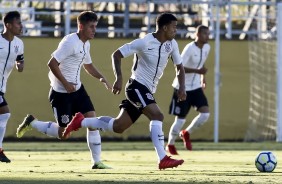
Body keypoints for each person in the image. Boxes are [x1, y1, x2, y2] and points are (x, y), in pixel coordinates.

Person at [62, 13, 187, 170]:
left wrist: (182, 87)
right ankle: (162, 158)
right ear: (165, 27)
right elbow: (117, 54)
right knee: (157, 115)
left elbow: (179, 67)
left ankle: (81, 121)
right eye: (174, 27)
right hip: (136, 86)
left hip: (147, 90)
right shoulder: (144, 42)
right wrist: (119, 78)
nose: (176, 30)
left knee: (118, 126)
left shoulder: (172, 44)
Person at [16, 11, 112, 169]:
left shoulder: (86, 43)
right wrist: (66, 84)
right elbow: (52, 63)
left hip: (78, 90)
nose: (94, 30)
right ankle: (33, 123)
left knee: (92, 121)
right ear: (81, 26)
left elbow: (88, 65)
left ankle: (97, 162)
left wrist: (102, 78)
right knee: (64, 134)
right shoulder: (70, 42)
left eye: (96, 26)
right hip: (61, 93)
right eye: (91, 27)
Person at [166, 25, 211, 155]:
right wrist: (198, 71)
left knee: (205, 114)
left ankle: (186, 133)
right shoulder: (189, 48)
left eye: (208, 34)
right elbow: (180, 67)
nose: (207, 36)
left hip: (196, 87)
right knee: (180, 120)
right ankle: (170, 144)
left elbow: (201, 64)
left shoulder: (207, 47)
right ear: (198, 35)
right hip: (182, 87)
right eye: (205, 34)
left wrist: (202, 78)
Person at [0, 11, 24, 163]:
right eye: (18, 23)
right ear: (8, 25)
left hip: (2, 87)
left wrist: (19, 65)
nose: (21, 26)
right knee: (5, 113)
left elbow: (20, 61)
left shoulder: (19, 44)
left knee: (3, 114)